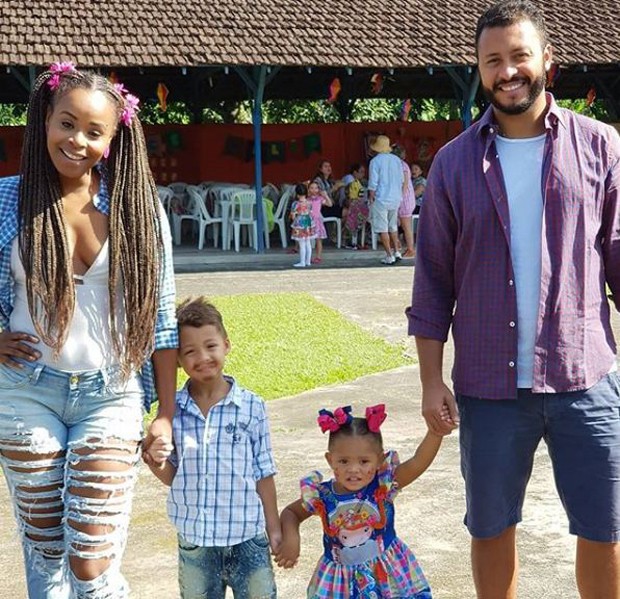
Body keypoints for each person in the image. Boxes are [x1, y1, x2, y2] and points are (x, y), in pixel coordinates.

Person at [407, 1, 620, 597]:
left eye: (519, 56)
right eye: (493, 60)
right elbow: (432, 283)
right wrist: (430, 382)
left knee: (603, 528)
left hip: (585, 375)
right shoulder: (453, 164)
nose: (508, 71)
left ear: (546, 60)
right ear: (479, 69)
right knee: (492, 525)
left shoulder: (601, 147)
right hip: (489, 385)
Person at [0, 62, 178, 598]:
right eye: (66, 123)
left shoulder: (137, 209)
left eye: (94, 131)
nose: (77, 140)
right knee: (47, 545)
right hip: (26, 389)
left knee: (90, 558)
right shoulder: (8, 198)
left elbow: (162, 318)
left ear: (113, 138)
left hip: (111, 392)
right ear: (44, 121)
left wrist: (165, 414)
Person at [147, 297, 280, 599]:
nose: (203, 357)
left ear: (226, 345)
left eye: (211, 346)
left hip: (248, 538)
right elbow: (173, 476)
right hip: (196, 541)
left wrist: (273, 528)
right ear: (178, 360)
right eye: (190, 351)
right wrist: (155, 462)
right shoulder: (173, 412)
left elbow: (264, 472)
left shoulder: (251, 406)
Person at [276, 404, 441, 598]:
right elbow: (291, 513)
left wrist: (435, 432)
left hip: (387, 576)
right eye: (344, 461)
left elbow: (418, 462)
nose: (354, 469)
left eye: (364, 461)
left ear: (379, 460)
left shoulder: (383, 486)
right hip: (339, 583)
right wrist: (292, 539)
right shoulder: (322, 495)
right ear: (330, 460)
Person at [367, 135, 404, 265]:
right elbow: (402, 179)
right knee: (393, 226)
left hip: (381, 198)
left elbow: (373, 182)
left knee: (383, 228)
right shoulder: (397, 160)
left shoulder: (375, 161)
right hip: (395, 198)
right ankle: (397, 252)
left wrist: (371, 195)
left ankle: (389, 255)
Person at [392, 145, 416, 259]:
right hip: (404, 197)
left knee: (406, 225)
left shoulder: (401, 166)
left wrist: (399, 197)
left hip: (404, 198)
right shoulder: (401, 165)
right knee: (403, 224)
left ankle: (411, 249)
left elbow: (404, 183)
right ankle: (405, 247)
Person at [290, 183, 317, 268]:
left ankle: (302, 262)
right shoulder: (309, 203)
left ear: (297, 194)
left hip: (299, 223)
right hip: (308, 223)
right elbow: (311, 213)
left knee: (302, 244)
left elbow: (293, 215)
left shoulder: (295, 204)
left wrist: (294, 219)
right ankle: (308, 261)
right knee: (308, 242)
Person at [343, 163, 369, 249]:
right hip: (345, 204)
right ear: (355, 172)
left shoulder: (358, 181)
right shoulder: (350, 180)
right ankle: (349, 240)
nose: (363, 174)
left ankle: (360, 240)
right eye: (361, 172)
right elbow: (350, 196)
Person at [307, 180, 332, 264]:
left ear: (318, 189)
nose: (314, 190)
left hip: (317, 221)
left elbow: (329, 204)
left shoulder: (320, 199)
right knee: (308, 240)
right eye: (311, 188)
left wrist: (325, 195)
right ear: (308, 189)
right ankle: (308, 257)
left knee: (318, 240)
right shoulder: (307, 199)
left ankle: (318, 256)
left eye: (316, 188)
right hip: (309, 221)